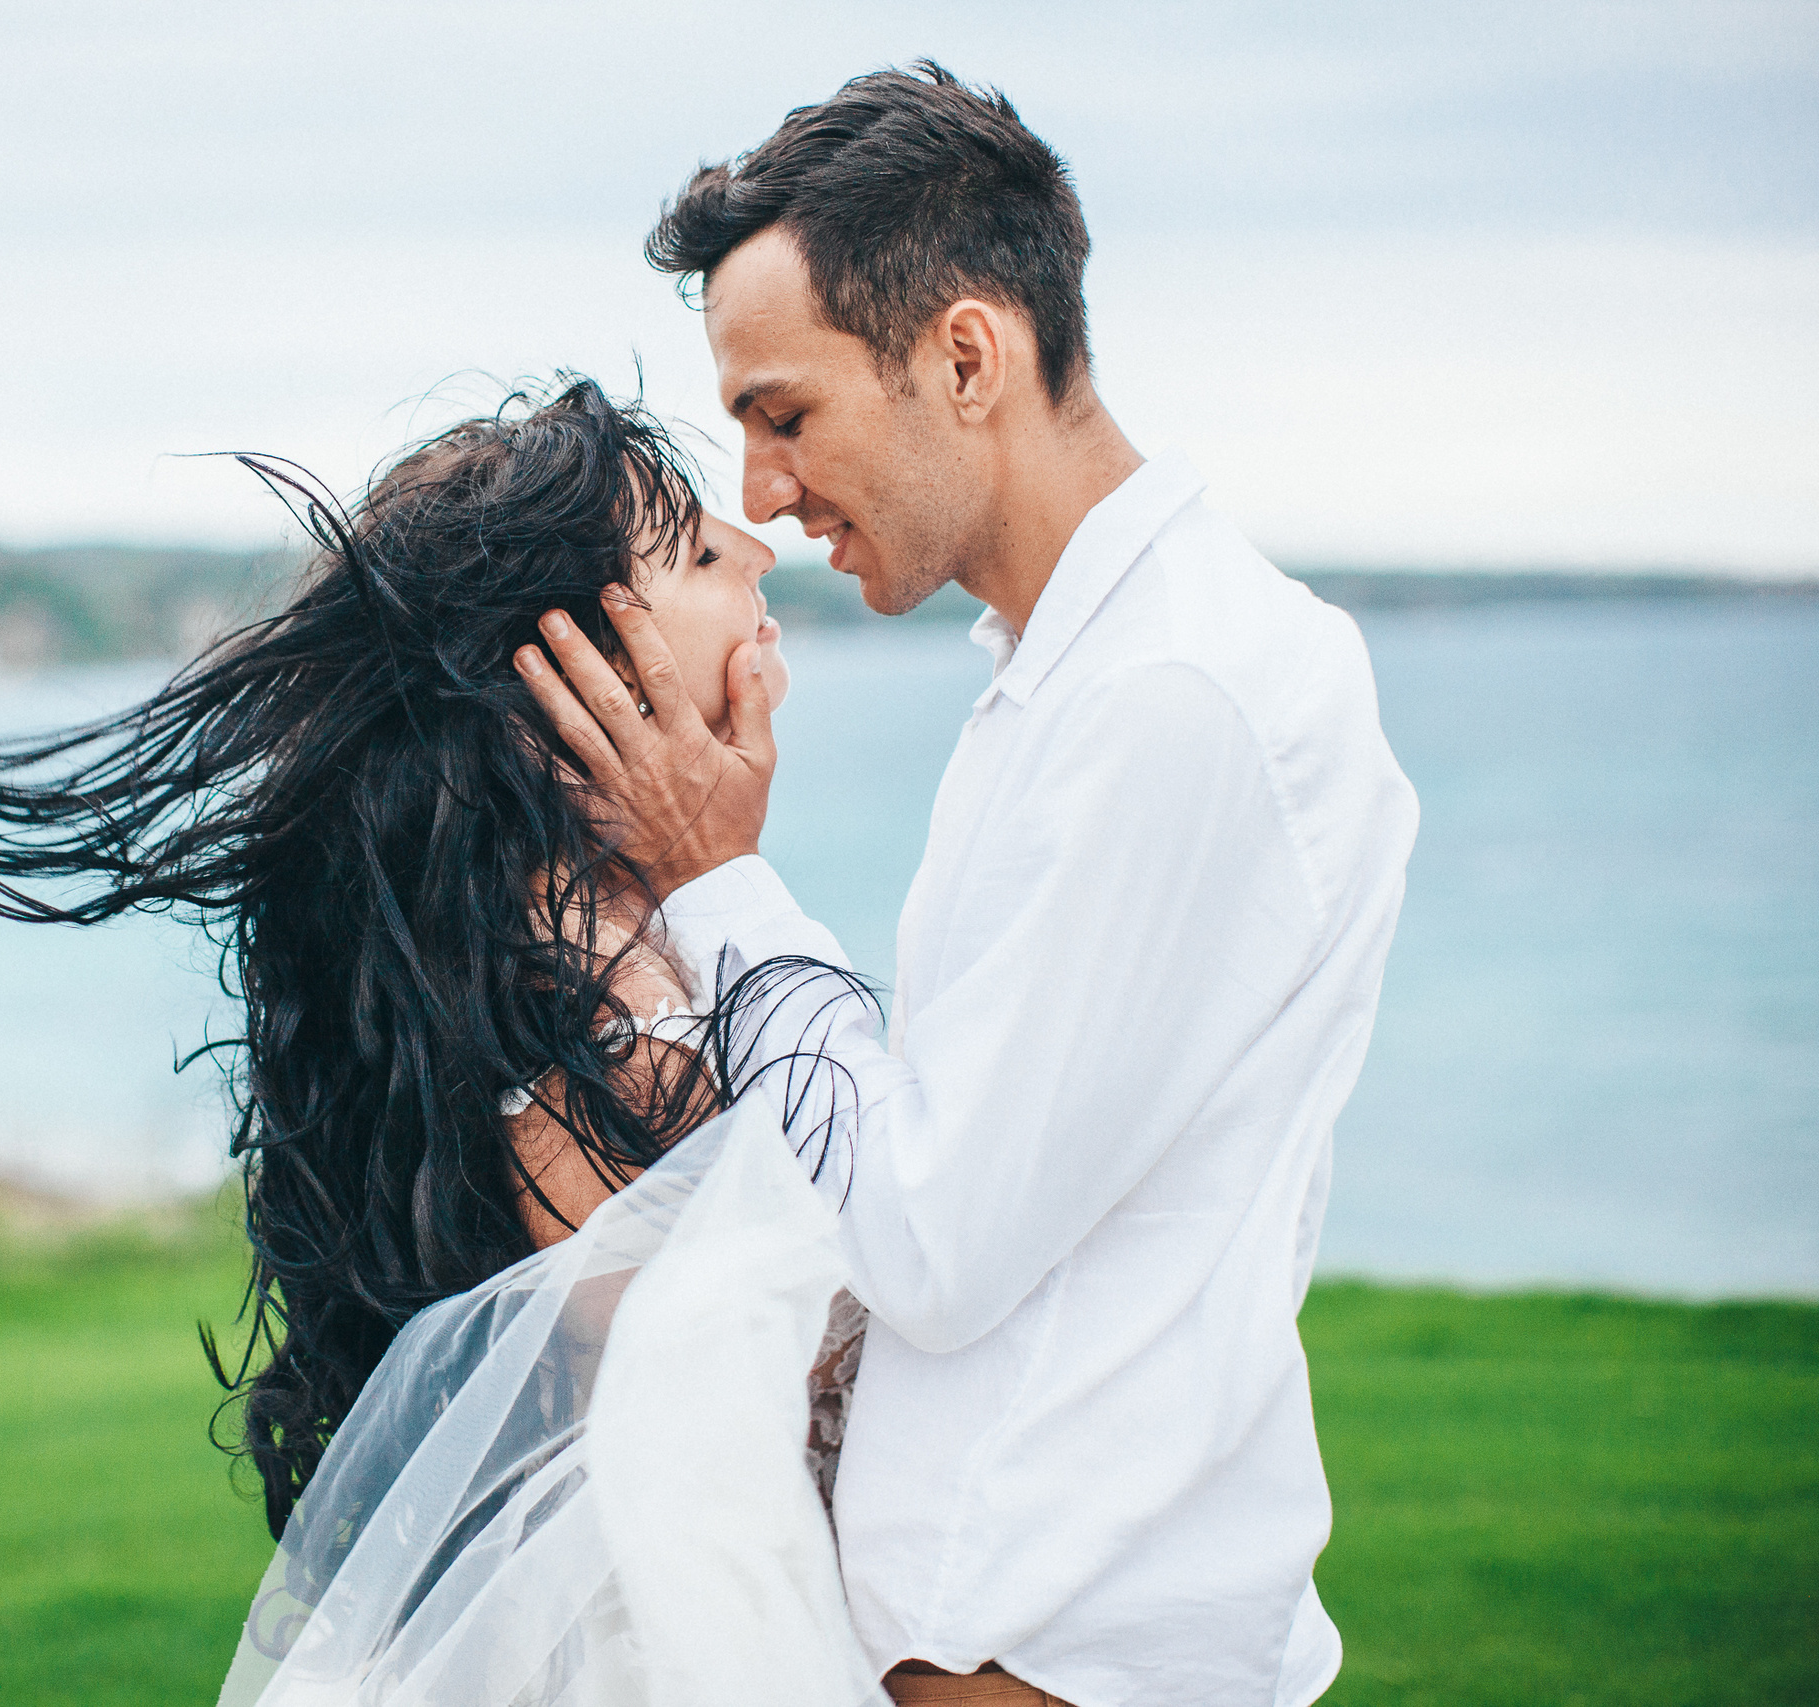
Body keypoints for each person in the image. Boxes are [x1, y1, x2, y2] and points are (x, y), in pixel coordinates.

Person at [0, 379, 888, 1701]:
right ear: (569, 681)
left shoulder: (595, 957)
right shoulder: (582, 1022)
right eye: (695, 550)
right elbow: (814, 1353)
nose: (756, 545)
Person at [519, 63, 1420, 1707]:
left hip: (1058, 1652)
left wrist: (719, 885)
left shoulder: (1173, 695)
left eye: (785, 415)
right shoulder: (1075, 677)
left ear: (963, 356)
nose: (766, 495)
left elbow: (932, 1233)